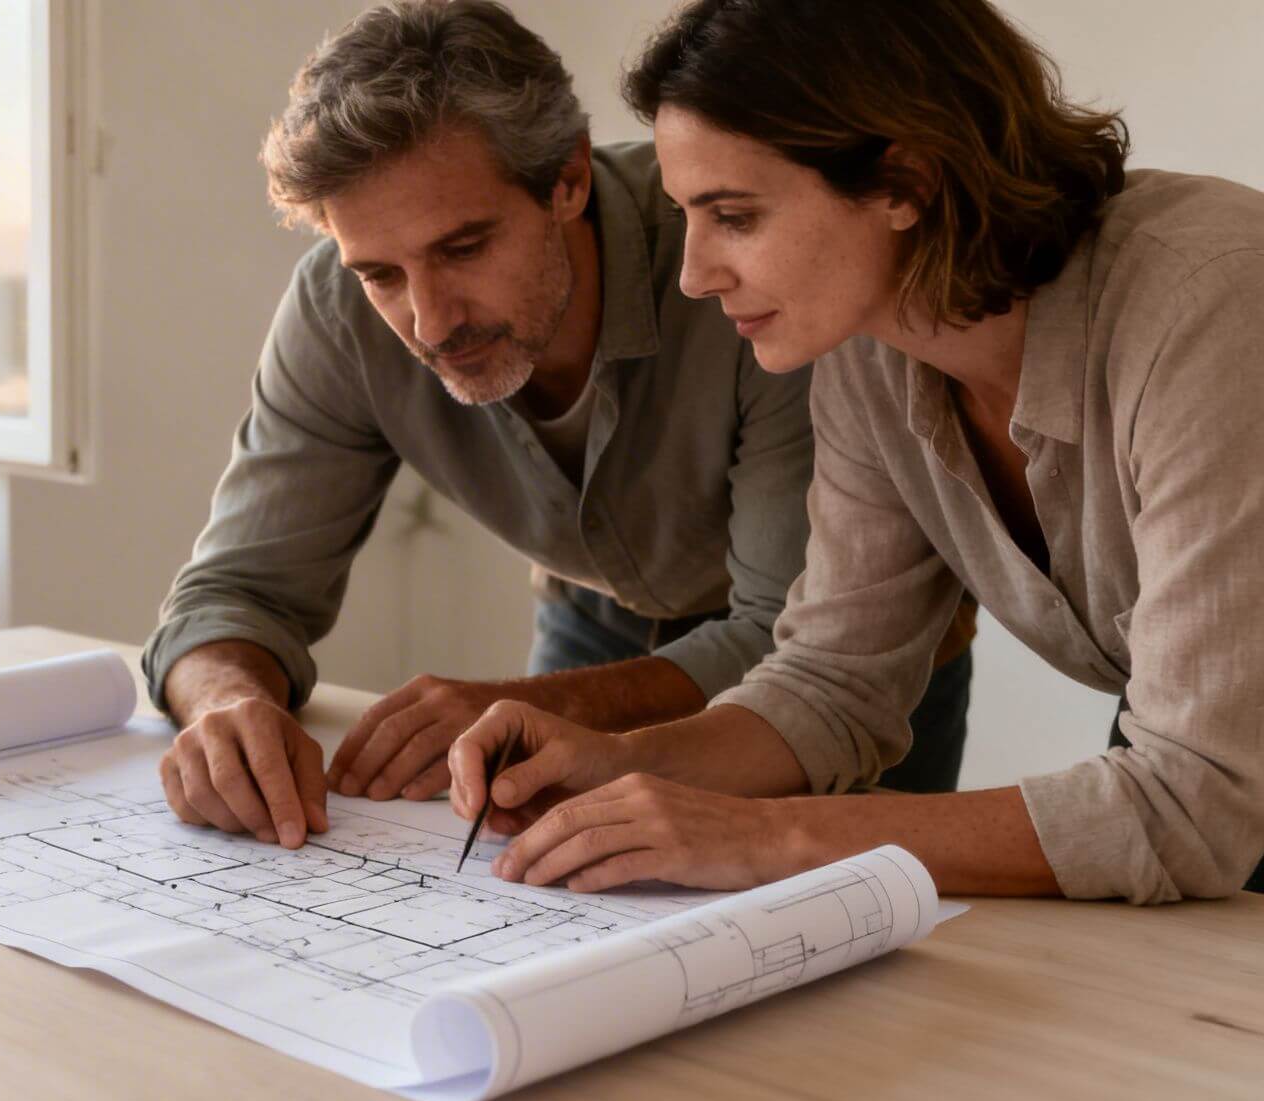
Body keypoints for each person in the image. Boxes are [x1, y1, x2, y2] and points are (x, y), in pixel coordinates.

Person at [448, 0, 1264, 902]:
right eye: (687, 214)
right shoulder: (873, 351)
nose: (694, 273)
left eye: (736, 215)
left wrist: (769, 836)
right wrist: (620, 766)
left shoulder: (1214, 310)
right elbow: (834, 684)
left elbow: (1192, 806)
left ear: (905, 181)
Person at [143, 0, 976, 851]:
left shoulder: (747, 262)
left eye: (464, 249)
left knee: (847, 950)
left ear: (568, 178)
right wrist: (226, 702)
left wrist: (542, 706)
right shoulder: (335, 307)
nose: (429, 324)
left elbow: (794, 643)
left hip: (842, 658)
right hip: (595, 627)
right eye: (381, 274)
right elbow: (232, 596)